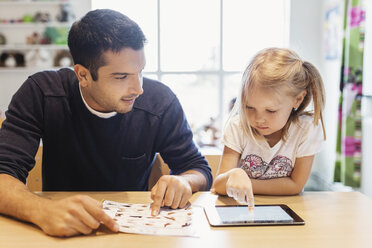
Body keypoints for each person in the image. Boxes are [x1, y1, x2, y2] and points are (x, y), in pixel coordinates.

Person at [0, 9, 212, 237]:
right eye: (121, 77)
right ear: (82, 75)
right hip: (60, 230)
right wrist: (41, 209)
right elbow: (4, 173)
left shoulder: (160, 101)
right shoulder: (42, 93)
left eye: (140, 72)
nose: (138, 88)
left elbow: (198, 169)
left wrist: (185, 181)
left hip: (131, 233)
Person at [211, 48, 326, 210]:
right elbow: (219, 186)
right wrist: (232, 175)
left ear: (297, 99)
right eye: (249, 107)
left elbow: (295, 185)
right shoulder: (238, 127)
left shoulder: (306, 129)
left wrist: (248, 183)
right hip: (241, 213)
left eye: (271, 111)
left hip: (289, 211)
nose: (258, 119)